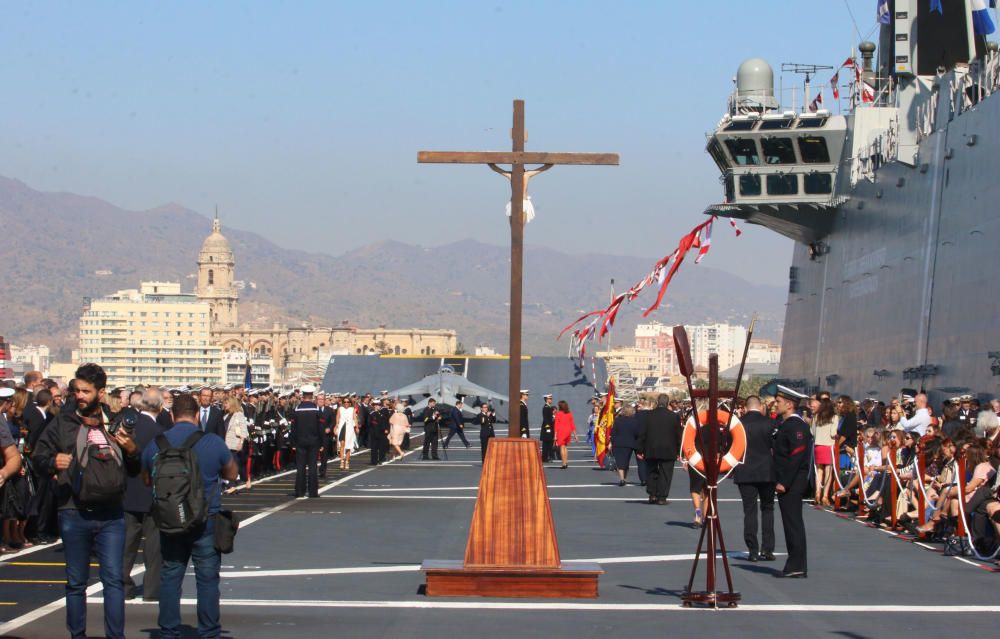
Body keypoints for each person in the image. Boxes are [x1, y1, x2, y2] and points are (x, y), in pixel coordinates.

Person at [31, 364, 140, 639]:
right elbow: (38, 457)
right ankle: (77, 635)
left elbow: (135, 468)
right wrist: (51, 462)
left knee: (114, 580)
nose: (79, 395)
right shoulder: (62, 423)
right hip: (73, 511)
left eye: (86, 391)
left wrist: (131, 449)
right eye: (76, 390)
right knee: (76, 583)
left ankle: (116, 636)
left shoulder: (115, 422)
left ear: (100, 392)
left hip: (112, 515)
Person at [141, 392, 237, 639]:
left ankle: (168, 630)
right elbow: (232, 473)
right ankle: (209, 631)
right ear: (197, 416)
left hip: (170, 518)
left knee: (171, 575)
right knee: (206, 579)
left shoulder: (157, 443)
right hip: (205, 518)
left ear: (172, 416)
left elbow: (146, 478)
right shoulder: (212, 441)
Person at [122, 388, 168, 601]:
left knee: (127, 544)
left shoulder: (126, 427)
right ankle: (152, 590)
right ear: (159, 406)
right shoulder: (159, 431)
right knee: (153, 544)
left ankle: (123, 586)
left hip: (127, 491)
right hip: (151, 492)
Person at [771, 384, 812, 578]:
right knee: (789, 523)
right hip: (786, 481)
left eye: (778, 402)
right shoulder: (785, 425)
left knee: (793, 523)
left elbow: (796, 456)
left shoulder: (797, 427)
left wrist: (784, 482)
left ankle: (797, 565)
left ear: (789, 405)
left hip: (793, 483)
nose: (774, 404)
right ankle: (794, 563)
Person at [733, 396, 777, 562]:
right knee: (768, 509)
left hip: (745, 471)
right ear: (760, 406)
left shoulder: (738, 423)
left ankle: (752, 549)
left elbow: (731, 445)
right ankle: (768, 548)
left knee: (749, 511)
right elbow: (775, 446)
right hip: (766, 471)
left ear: (745, 407)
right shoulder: (769, 423)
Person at [636, 393, 682, 506]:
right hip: (668, 449)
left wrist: (639, 450)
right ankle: (662, 497)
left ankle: (652, 495)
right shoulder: (674, 416)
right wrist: (679, 451)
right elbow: (678, 435)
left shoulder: (648, 415)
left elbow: (642, 434)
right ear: (667, 403)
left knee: (651, 472)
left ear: (657, 402)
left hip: (651, 448)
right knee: (666, 474)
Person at [290, 386, 321, 498]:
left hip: (300, 442)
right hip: (314, 441)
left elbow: (293, 428)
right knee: (313, 467)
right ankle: (313, 492)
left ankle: (300, 491)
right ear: (312, 396)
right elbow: (320, 428)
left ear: (303, 396)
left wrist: (293, 443)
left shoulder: (297, 409)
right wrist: (321, 443)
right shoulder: (316, 409)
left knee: (301, 467)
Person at [811, 397, 837, 506]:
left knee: (819, 471)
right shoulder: (834, 417)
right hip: (829, 446)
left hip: (818, 446)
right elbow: (833, 433)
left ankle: (817, 493)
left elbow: (812, 431)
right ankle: (825, 495)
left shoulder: (816, 416)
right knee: (828, 472)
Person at [610, 403, 645, 486]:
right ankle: (624, 478)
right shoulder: (635, 421)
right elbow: (637, 433)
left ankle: (622, 479)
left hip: (618, 443)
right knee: (626, 462)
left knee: (620, 462)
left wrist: (612, 443)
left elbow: (614, 433)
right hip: (630, 443)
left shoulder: (617, 420)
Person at [223, 396, 250, 492]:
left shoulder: (238, 415)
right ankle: (242, 479)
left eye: (226, 403)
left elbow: (243, 430)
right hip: (226, 444)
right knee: (231, 464)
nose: (224, 405)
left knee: (233, 464)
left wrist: (241, 442)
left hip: (235, 443)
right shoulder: (226, 416)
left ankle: (232, 485)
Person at [552, 400, 578, 469]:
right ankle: (566, 462)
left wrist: (555, 435)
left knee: (562, 447)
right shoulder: (569, 414)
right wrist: (575, 435)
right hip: (568, 432)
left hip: (561, 432)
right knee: (565, 447)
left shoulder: (558, 414)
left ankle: (563, 463)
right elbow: (572, 425)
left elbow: (556, 426)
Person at [337, 396, 358, 469]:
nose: (346, 403)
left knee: (348, 445)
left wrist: (357, 427)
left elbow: (355, 418)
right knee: (342, 444)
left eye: (347, 402)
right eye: (344, 402)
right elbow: (337, 417)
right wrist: (336, 426)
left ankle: (347, 461)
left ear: (350, 403)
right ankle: (342, 461)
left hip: (349, 428)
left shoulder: (352, 409)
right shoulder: (340, 409)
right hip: (342, 427)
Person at [540, 394, 556, 462]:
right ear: (547, 399)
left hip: (549, 428)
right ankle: (545, 457)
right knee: (546, 444)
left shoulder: (549, 407)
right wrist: (548, 428)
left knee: (548, 443)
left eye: (551, 398)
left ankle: (547, 457)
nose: (551, 400)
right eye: (550, 399)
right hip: (547, 429)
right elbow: (546, 419)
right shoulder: (546, 407)